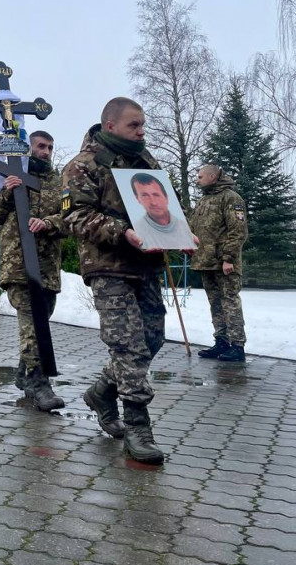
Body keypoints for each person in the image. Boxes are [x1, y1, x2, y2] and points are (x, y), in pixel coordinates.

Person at [61, 97, 179, 465]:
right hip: (108, 266)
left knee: (152, 338)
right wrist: (121, 231)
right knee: (128, 346)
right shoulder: (82, 166)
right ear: (110, 126)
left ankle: (102, 391)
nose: (142, 131)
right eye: (134, 125)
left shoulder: (147, 163)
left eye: (143, 124)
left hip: (146, 265)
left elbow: (166, 208)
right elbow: (74, 216)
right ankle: (138, 427)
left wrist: (181, 235)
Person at [0, 131, 68, 411]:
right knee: (32, 327)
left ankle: (24, 372)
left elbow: (70, 218)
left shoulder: (59, 182)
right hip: (19, 264)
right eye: (40, 146)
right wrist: (8, 192)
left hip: (47, 266)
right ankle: (39, 382)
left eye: (49, 147)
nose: (45, 151)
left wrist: (49, 223)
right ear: (29, 148)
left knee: (42, 321)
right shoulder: (11, 174)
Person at [189, 164, 249, 362]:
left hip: (224, 263)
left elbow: (238, 231)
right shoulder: (203, 200)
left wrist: (228, 258)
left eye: (200, 176)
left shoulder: (231, 198)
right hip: (206, 261)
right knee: (215, 303)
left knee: (230, 301)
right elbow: (194, 228)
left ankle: (237, 346)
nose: (197, 180)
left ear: (213, 176)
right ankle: (221, 341)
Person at [129, 172, 188, 250]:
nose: (153, 202)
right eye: (145, 195)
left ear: (166, 197)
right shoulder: (138, 227)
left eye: (156, 195)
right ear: (138, 199)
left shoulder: (183, 226)